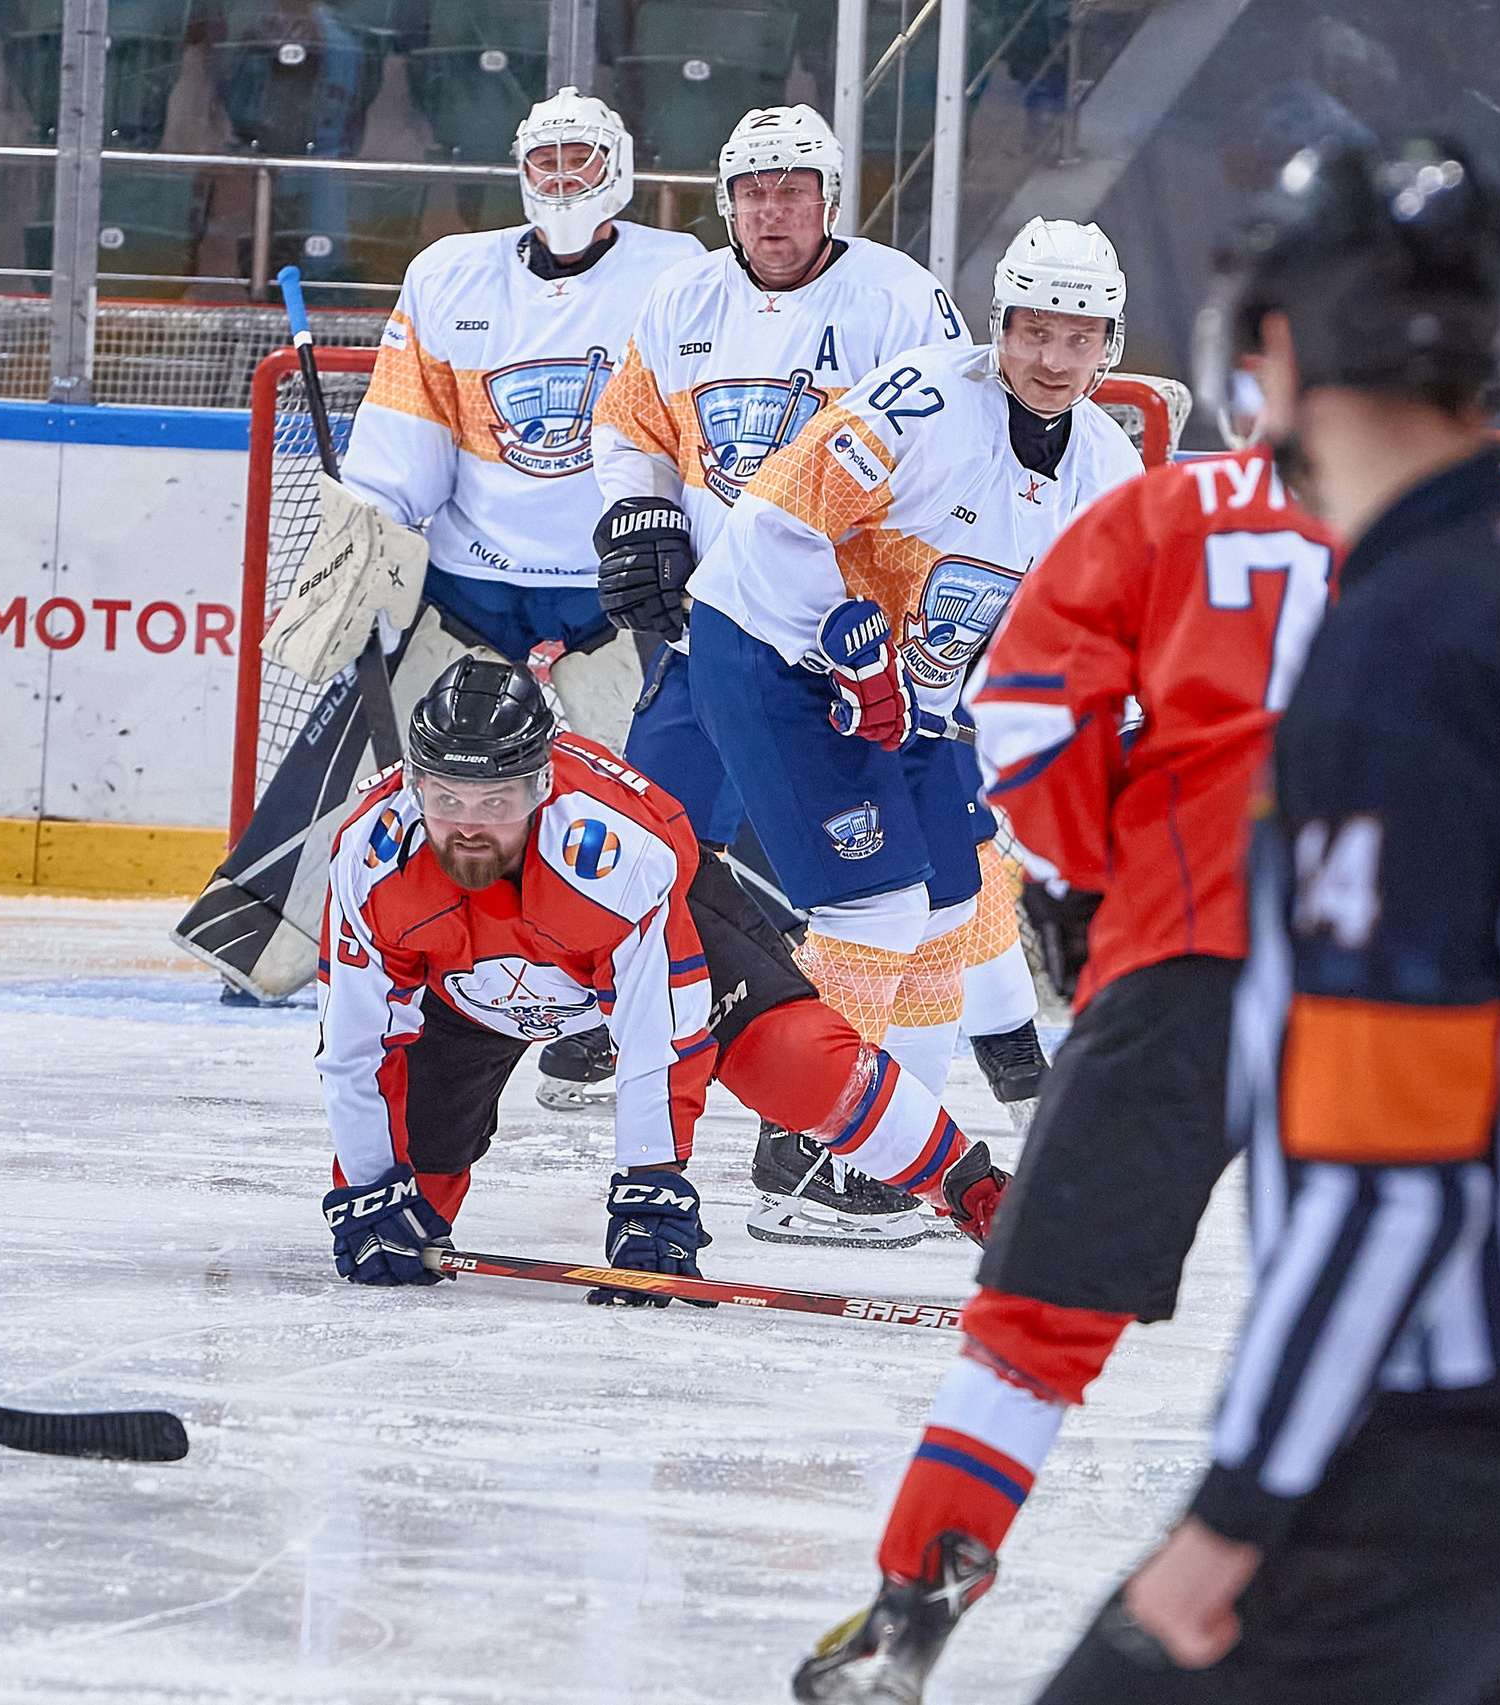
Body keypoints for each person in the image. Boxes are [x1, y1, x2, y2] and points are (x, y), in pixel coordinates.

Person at [1031, 138, 1500, 1705]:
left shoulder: (1392, 666)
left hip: (1467, 1431)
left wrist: (1238, 1513)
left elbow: (1384, 1171)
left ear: (1269, 352)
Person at [789, 279, 1339, 1702]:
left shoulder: (1161, 511)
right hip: (1385, 994)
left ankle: (915, 1605)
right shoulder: (1469, 545)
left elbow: (1025, 714)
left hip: (1181, 963)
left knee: (1036, 1323)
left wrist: (1095, 879)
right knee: (1399, 1314)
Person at [176, 86, 700, 1010]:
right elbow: (404, 446)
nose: (564, 178)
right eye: (547, 160)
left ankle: (693, 954)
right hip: (470, 583)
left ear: (618, 170)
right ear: (520, 169)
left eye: (582, 159)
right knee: (380, 768)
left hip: (610, 595)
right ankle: (271, 937)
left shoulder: (676, 273)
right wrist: (368, 535)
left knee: (656, 791)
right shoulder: (450, 273)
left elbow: (690, 426)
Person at [586, 103, 972, 1245]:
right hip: (720, 627)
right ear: (726, 201)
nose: (773, 207)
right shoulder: (683, 301)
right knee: (654, 833)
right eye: (753, 189)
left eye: (794, 187)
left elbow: (954, 446)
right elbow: (627, 424)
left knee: (887, 881)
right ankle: (633, 1011)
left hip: (854, 642)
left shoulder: (898, 298)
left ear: (831, 197)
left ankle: (830, 1104)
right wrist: (640, 516)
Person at [314, 659, 1006, 1297]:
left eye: (496, 802)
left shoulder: (615, 853)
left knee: (794, 1059)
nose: (469, 829)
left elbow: (656, 1032)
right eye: (448, 800)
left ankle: (980, 1194)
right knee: (406, 1214)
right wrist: (369, 1186)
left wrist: (652, 1182)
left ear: (541, 786)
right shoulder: (369, 858)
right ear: (414, 786)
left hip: (657, 928)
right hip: (462, 995)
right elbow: (356, 1045)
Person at [681, 220, 1142, 1136]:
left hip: (910, 694)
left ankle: (893, 1147)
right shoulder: (922, 398)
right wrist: (844, 645)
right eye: (1033, 329)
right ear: (999, 326)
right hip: (773, 648)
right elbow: (778, 516)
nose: (1052, 357)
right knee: (876, 905)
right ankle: (804, 1150)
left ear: (1109, 346)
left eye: (1078, 337)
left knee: (950, 898)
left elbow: (1112, 642)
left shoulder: (1110, 469)